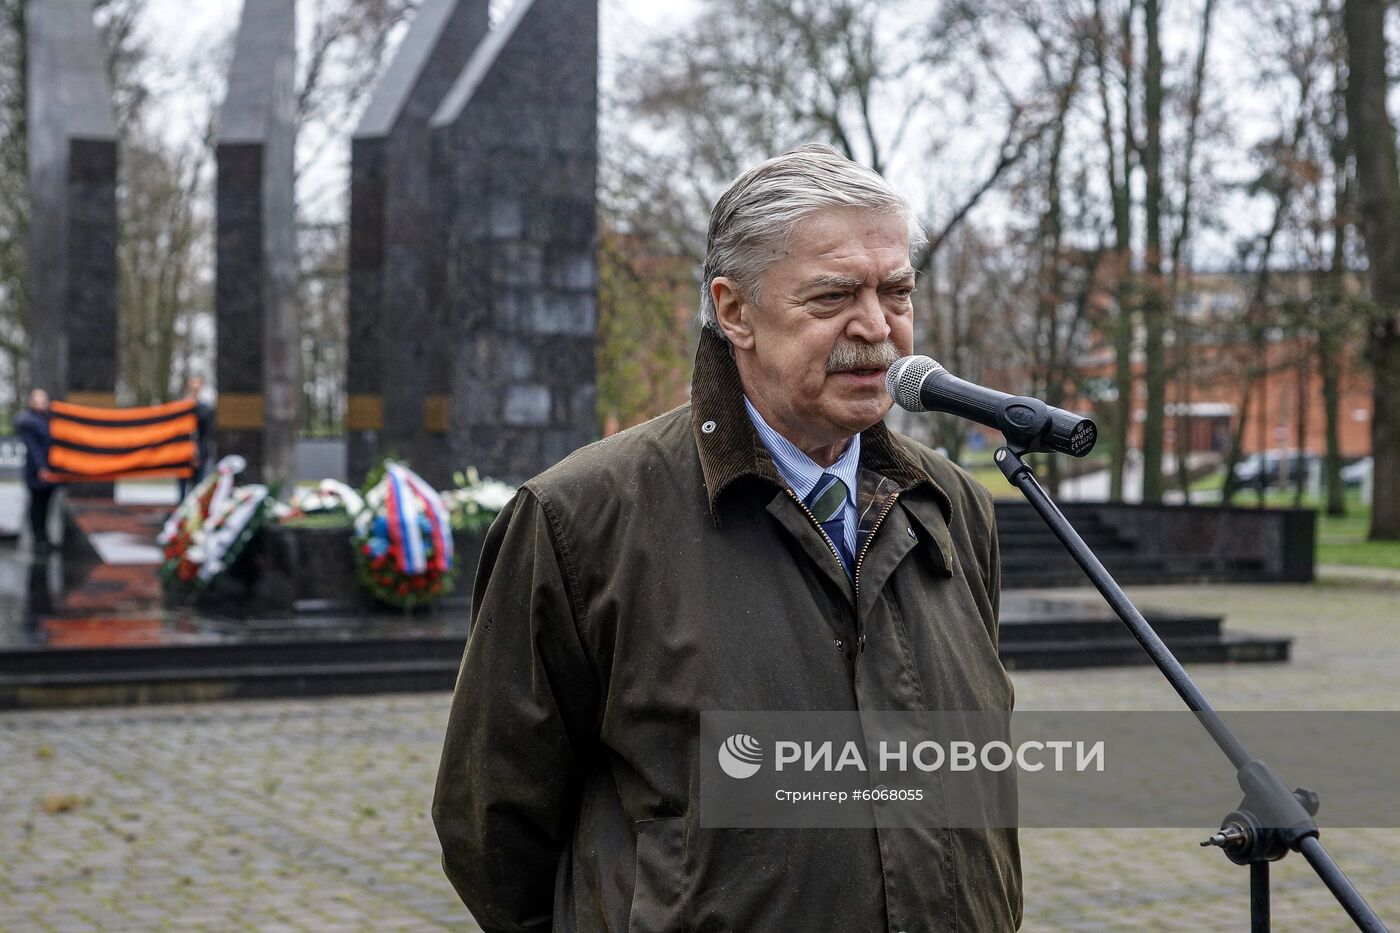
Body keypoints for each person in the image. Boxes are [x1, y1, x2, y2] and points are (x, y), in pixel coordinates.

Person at [433, 144, 1020, 930]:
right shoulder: (580, 519)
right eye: (833, 295)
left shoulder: (953, 507)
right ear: (735, 309)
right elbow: (493, 827)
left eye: (897, 291)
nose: (878, 326)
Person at [16, 389, 56, 553]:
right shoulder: (29, 423)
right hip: (37, 471)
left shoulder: (49, 420)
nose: (41, 403)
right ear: (31, 402)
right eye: (38, 400)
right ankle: (38, 539)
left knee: (46, 506)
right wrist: (41, 468)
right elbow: (34, 449)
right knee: (37, 505)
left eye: (43, 400)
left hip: (50, 470)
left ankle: (44, 537)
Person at [177, 376, 215, 501]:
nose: (195, 389)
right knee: (182, 492)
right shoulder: (180, 408)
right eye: (192, 386)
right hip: (182, 456)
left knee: (197, 492)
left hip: (200, 455)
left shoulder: (205, 409)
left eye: (197, 386)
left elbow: (206, 435)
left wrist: (199, 454)